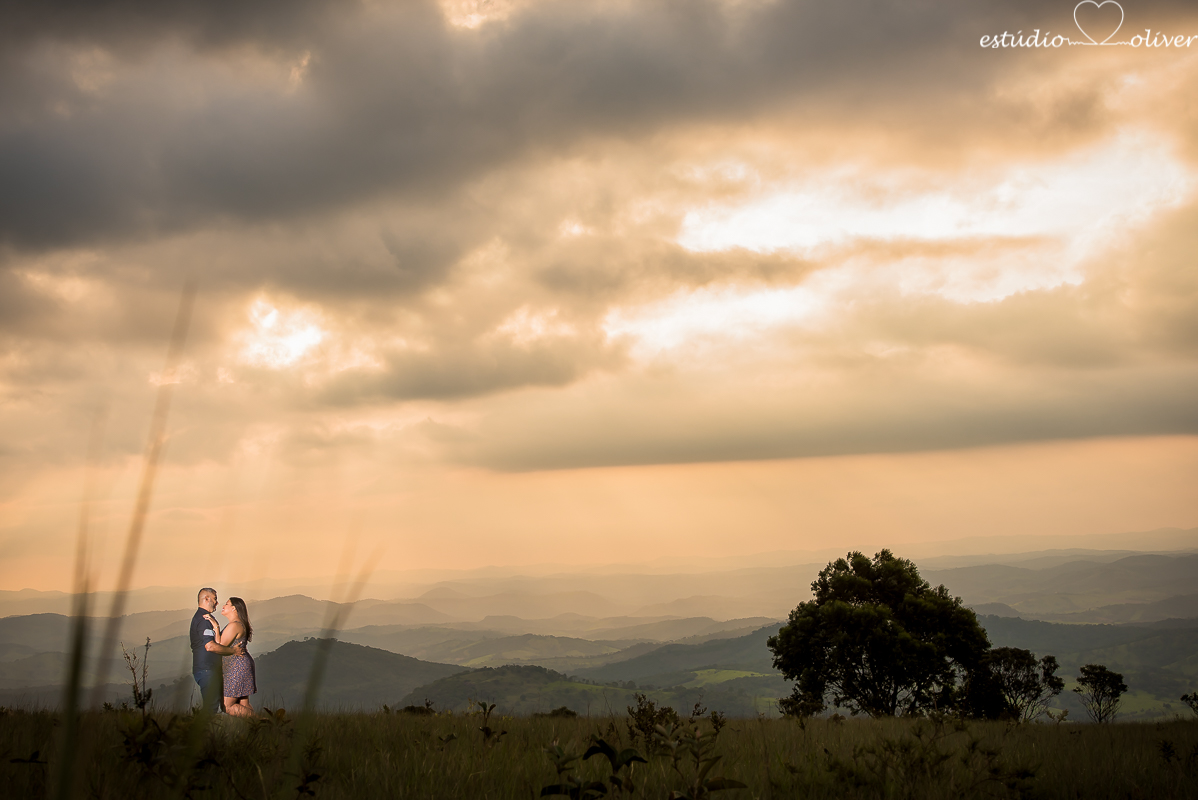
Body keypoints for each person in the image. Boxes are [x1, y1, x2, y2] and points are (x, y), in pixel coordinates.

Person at [205, 596, 257, 717]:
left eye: (227, 604)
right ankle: (256, 728)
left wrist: (216, 627)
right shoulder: (238, 624)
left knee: (227, 706)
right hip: (241, 665)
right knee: (243, 704)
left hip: (236, 667)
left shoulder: (234, 625)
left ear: (234, 608)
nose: (223, 606)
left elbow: (221, 645)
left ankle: (261, 721)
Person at [189, 588, 223, 713]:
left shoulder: (201, 617)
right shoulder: (204, 620)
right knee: (211, 708)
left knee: (212, 707)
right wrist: (232, 651)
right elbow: (210, 646)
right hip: (207, 670)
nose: (217, 603)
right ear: (206, 599)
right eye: (215, 599)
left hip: (205, 669)